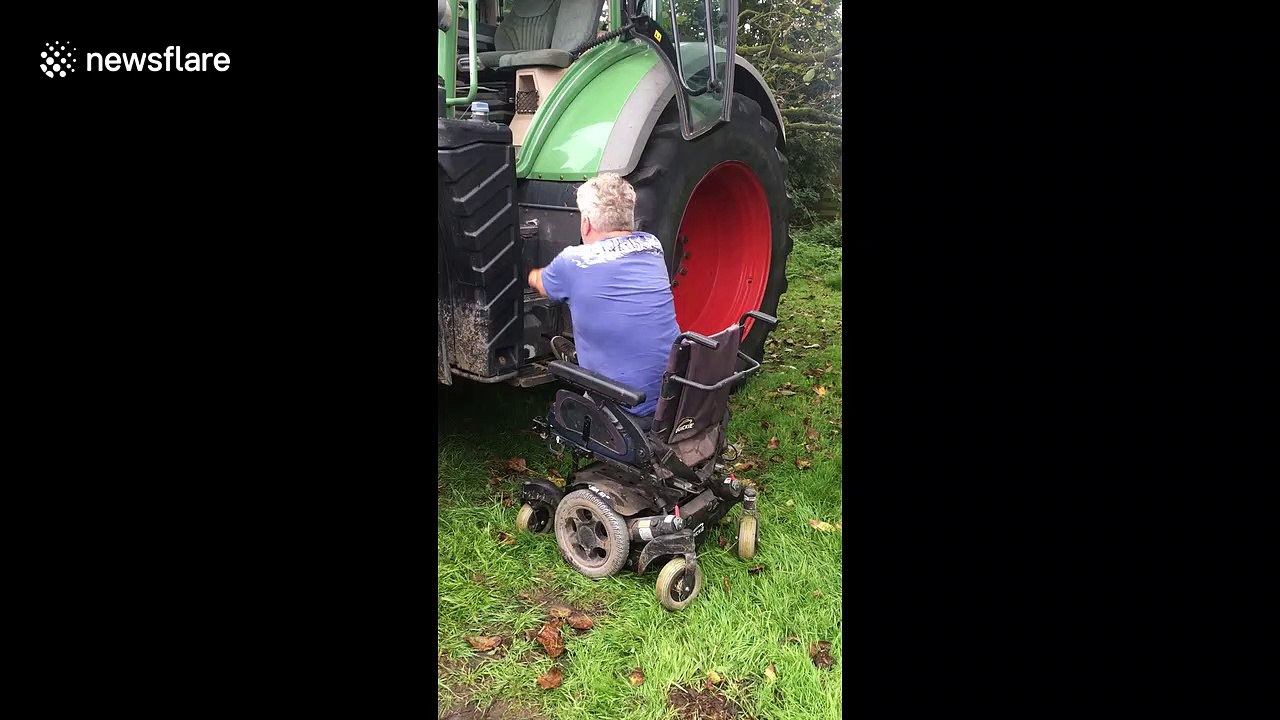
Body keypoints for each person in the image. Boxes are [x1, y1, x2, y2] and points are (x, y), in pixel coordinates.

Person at [527, 173, 679, 422]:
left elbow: (542, 285)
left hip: (624, 414)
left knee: (554, 416)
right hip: (673, 403)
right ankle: (577, 355)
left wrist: (531, 274)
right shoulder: (652, 245)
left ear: (585, 223)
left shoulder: (573, 261)